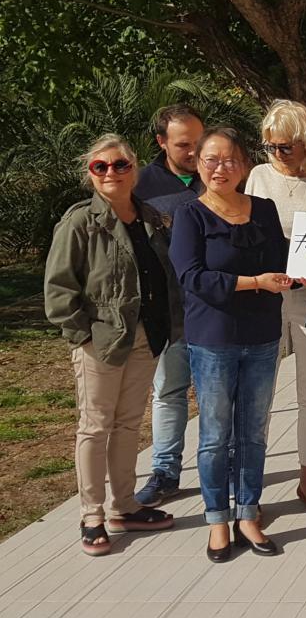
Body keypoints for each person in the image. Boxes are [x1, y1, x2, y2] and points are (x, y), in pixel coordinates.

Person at [44, 136, 181, 555]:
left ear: (134, 168)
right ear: (90, 173)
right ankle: (92, 514)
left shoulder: (152, 218)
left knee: (128, 424)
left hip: (146, 337)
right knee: (95, 425)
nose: (110, 173)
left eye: (120, 165)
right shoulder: (80, 221)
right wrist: (82, 336)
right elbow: (59, 289)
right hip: (100, 340)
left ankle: (125, 504)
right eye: (100, 166)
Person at [169, 128, 291, 561]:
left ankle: (248, 514)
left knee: (253, 433)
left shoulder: (264, 209)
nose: (221, 168)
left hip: (261, 336)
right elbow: (192, 276)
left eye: (230, 160)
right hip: (213, 338)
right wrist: (255, 282)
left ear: (244, 165)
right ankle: (217, 519)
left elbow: (284, 259)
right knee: (216, 435)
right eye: (211, 160)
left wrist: (305, 269)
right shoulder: (191, 215)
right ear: (198, 165)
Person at [245, 99, 306, 513]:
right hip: (266, 297)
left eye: (285, 147)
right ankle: (249, 489)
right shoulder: (258, 178)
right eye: (270, 146)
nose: (277, 155)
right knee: (258, 392)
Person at [133, 104, 205, 508]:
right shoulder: (141, 184)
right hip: (170, 312)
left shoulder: (220, 172)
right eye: (184, 145)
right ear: (161, 142)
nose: (195, 152)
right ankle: (164, 472)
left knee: (217, 396)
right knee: (169, 391)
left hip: (215, 309)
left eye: (199, 141)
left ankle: (221, 470)